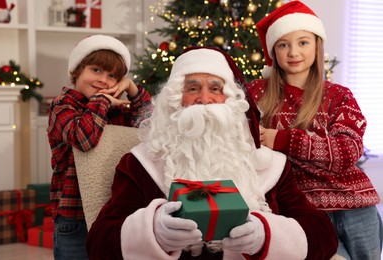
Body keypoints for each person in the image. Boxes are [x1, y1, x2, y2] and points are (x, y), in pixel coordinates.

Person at [86, 47, 338, 259]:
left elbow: (323, 236)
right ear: (176, 100)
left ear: (232, 101)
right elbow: (99, 244)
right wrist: (152, 231)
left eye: (216, 89)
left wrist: (266, 235)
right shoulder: (141, 163)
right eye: (193, 88)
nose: (204, 99)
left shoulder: (270, 166)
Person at [246, 1, 383, 259]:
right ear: (273, 51)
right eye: (283, 44)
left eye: (303, 42)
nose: (293, 52)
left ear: (317, 45)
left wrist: (284, 140)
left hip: (357, 207)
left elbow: (348, 150)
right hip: (305, 213)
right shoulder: (257, 94)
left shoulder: (338, 96)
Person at [47, 34, 152, 260]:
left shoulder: (117, 112)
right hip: (74, 220)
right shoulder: (62, 106)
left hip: (112, 214)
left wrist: (132, 88)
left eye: (112, 76)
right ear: (77, 71)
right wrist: (103, 100)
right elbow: (84, 139)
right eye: (96, 70)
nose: (104, 80)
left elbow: (151, 126)